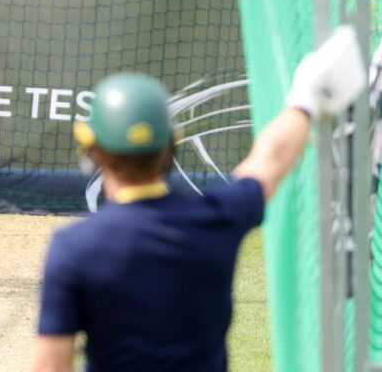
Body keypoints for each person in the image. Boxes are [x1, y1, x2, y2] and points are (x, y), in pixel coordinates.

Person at [32, 25, 367, 372]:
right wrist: (306, 101)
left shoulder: (73, 248)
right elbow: (269, 162)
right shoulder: (217, 218)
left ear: (95, 154)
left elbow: (51, 366)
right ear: (170, 148)